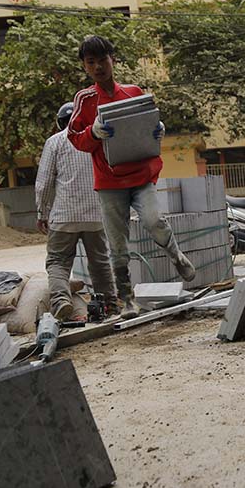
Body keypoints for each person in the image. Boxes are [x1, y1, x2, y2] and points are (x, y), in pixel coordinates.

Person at [67, 35, 195, 320]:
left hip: (141, 175)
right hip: (110, 183)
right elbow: (75, 138)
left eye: (103, 60)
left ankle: (176, 256)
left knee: (154, 220)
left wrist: (157, 129)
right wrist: (94, 132)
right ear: (85, 67)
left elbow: (152, 123)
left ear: (113, 59)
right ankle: (127, 300)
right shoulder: (84, 100)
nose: (99, 66)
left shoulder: (134, 92)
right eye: (91, 62)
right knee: (118, 246)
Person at [35, 103, 117, 321]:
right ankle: (109, 304)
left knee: (58, 262)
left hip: (63, 217)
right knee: (99, 263)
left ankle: (61, 300)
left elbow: (43, 184)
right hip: (95, 216)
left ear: (60, 123)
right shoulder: (99, 143)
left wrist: (42, 213)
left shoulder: (54, 142)